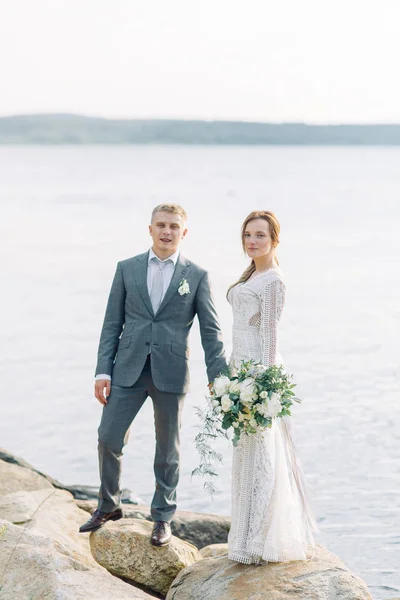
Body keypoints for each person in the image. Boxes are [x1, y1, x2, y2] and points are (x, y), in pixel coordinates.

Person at [79, 203, 227, 546]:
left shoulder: (198, 276)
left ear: (183, 233)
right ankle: (109, 505)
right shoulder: (127, 268)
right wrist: (103, 370)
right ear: (150, 229)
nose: (166, 231)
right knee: (108, 438)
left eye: (174, 226)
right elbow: (111, 323)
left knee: (167, 449)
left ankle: (162, 517)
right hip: (126, 369)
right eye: (160, 225)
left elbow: (211, 332)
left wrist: (219, 377)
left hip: (171, 372)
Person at [227, 210, 316, 564]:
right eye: (248, 234)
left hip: (258, 375)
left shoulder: (273, 281)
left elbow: (269, 336)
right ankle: (243, 539)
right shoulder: (253, 274)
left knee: (262, 458)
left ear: (274, 240)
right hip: (240, 370)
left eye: (260, 235)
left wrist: (262, 385)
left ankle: (259, 542)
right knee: (245, 458)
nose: (252, 240)